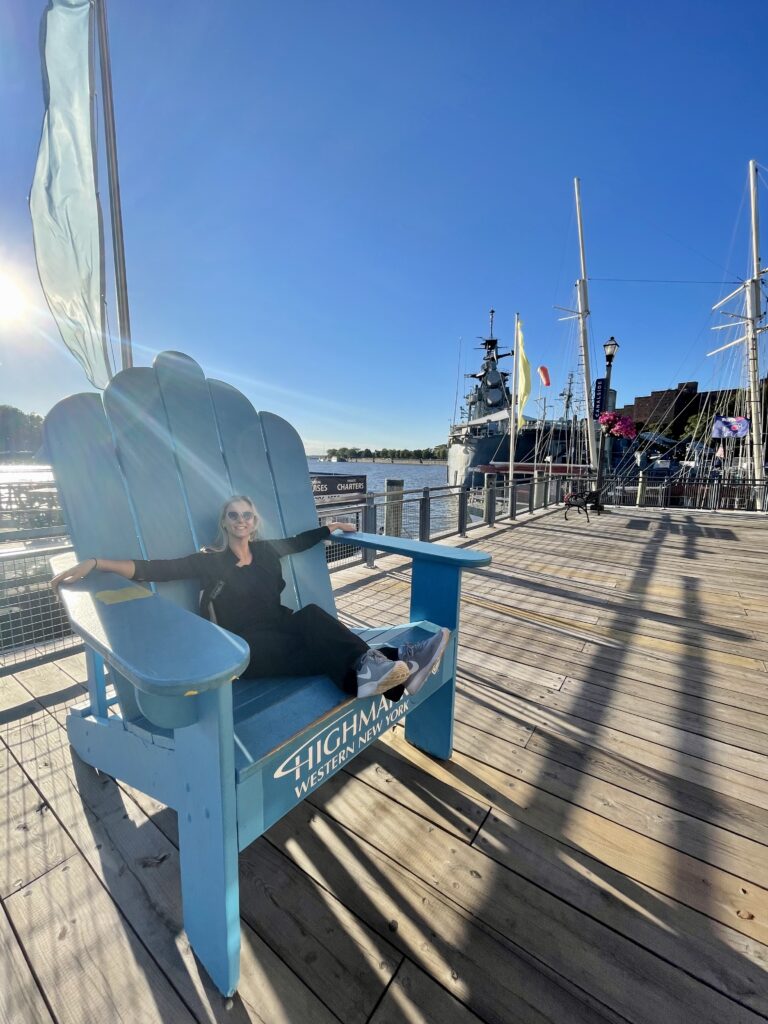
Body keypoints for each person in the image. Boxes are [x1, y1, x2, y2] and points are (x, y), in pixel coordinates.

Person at [51, 494, 450, 701]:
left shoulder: (266, 550)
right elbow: (156, 569)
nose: (241, 521)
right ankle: (401, 666)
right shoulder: (210, 561)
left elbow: (299, 541)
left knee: (311, 616)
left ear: (254, 522)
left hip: (282, 632)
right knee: (320, 646)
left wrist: (330, 527)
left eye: (247, 515)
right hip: (244, 649)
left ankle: (389, 676)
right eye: (233, 515)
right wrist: (97, 562)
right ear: (224, 522)